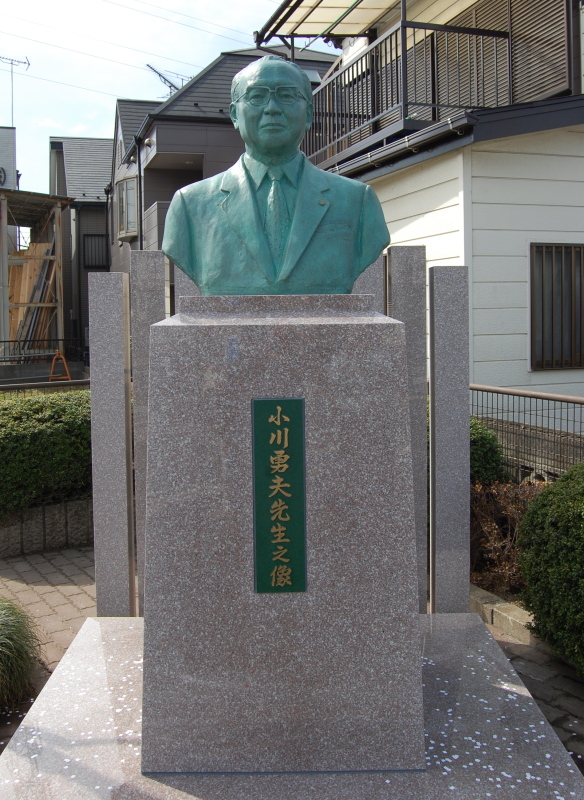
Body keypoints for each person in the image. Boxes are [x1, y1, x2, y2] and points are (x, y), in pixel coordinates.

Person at [162, 55, 389, 295]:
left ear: (309, 114)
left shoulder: (357, 200)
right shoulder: (191, 204)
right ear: (234, 115)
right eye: (256, 96)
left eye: (287, 96)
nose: (272, 108)